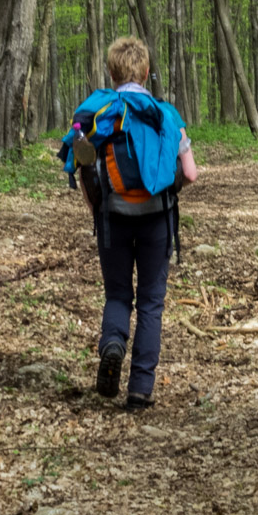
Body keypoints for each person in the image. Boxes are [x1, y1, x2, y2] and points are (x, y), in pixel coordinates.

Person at [62, 37, 197, 410]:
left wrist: (97, 209)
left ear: (112, 73)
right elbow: (190, 173)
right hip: (157, 218)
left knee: (118, 295)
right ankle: (140, 389)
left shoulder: (100, 113)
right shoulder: (165, 114)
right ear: (147, 72)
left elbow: (84, 171)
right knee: (151, 302)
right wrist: (169, 191)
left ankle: (112, 343)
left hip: (113, 220)